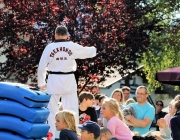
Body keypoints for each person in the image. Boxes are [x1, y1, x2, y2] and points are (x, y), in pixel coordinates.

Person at [37, 25, 97, 138]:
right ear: (66, 35)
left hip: (53, 79)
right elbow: (86, 52)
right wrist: (95, 49)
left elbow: (41, 67)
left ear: (55, 34)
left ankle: (51, 135)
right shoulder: (71, 46)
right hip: (68, 78)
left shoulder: (49, 48)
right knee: (72, 108)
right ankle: (73, 135)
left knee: (51, 109)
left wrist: (41, 83)